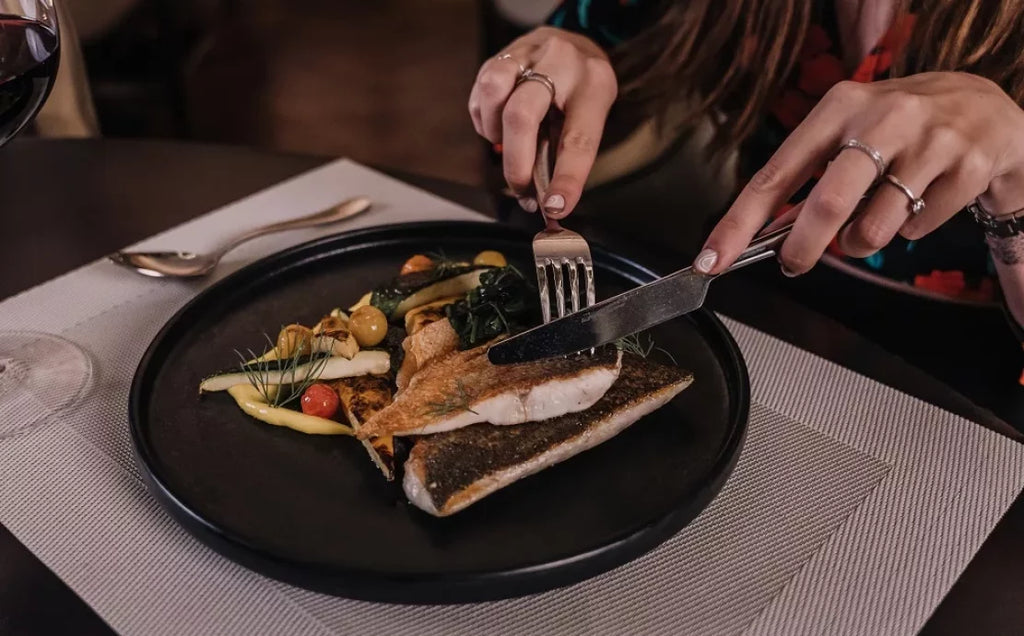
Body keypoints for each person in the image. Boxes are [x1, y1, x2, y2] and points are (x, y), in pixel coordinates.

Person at [468, 0, 1024, 331]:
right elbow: (594, 33)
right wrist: (562, 54)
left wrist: (1014, 177)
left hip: (968, 366)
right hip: (751, 299)